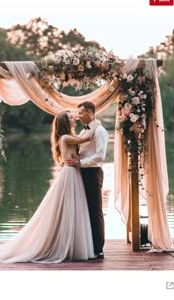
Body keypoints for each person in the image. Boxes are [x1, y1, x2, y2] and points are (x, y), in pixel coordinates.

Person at [0, 111, 98, 263]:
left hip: (73, 172)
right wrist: (96, 124)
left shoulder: (68, 137)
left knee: (72, 208)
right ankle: (63, 244)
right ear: (65, 123)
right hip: (70, 174)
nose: (74, 118)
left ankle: (70, 243)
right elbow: (85, 138)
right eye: (71, 117)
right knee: (68, 208)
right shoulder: (66, 137)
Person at [65, 101, 108, 259]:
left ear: (90, 112)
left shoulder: (100, 131)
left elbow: (100, 156)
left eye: (81, 112)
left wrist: (80, 163)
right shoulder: (83, 132)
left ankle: (98, 248)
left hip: (93, 173)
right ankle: (87, 245)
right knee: (84, 209)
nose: (78, 115)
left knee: (95, 210)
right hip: (82, 173)